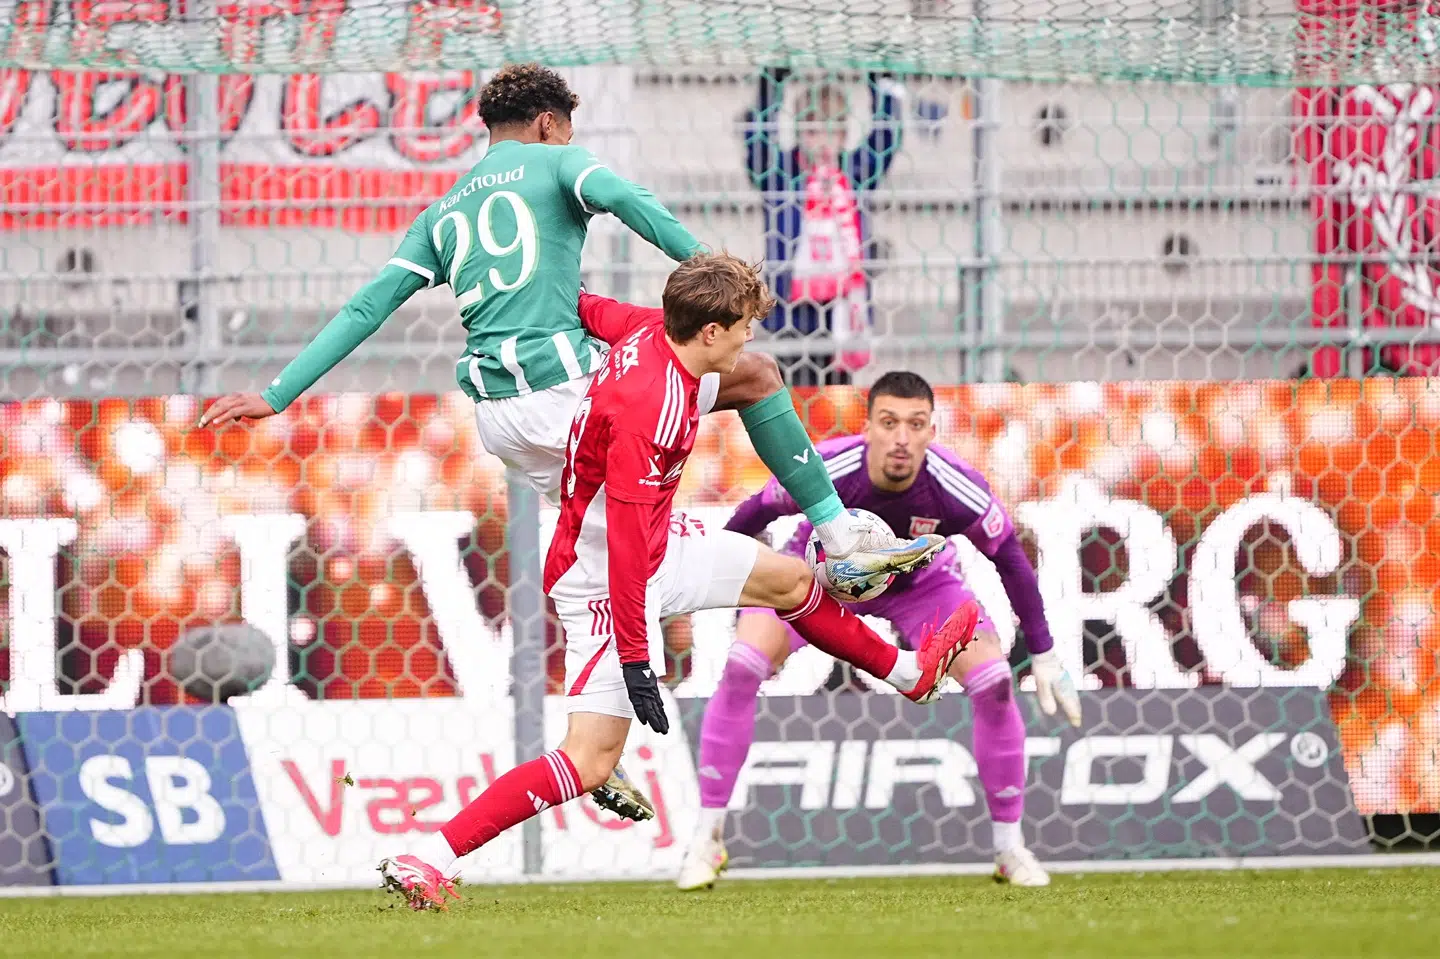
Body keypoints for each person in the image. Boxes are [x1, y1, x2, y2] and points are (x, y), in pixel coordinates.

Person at [198, 64, 946, 819]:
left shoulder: (443, 212)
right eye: (570, 127)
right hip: (568, 393)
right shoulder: (557, 161)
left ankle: (596, 744)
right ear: (551, 123)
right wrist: (718, 277)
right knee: (750, 376)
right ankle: (840, 537)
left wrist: (274, 395)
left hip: (502, 420)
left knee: (586, 537)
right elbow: (629, 202)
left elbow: (367, 307)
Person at [376, 254, 981, 911]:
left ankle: (909, 674)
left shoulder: (648, 330)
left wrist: (522, 298)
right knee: (588, 759)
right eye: (746, 326)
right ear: (712, 333)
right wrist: (639, 660)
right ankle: (427, 857)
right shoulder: (655, 412)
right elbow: (630, 553)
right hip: (605, 577)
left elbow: (586, 307)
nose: (752, 338)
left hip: (658, 547)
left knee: (793, 581)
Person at [675, 370, 1083, 891]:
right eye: (889, 422)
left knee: (995, 683)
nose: (901, 437)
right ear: (867, 427)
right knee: (741, 667)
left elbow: (1010, 560)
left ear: (932, 431)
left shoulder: (955, 485)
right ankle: (706, 839)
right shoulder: (829, 468)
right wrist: (714, 586)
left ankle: (1010, 849)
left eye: (915, 424)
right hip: (815, 577)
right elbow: (752, 513)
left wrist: (1044, 654)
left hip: (922, 584)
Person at [744, 69, 904, 386]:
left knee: (836, 396)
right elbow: (758, 141)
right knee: (791, 387)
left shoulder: (855, 172)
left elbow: (886, 139)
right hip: (790, 305)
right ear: (799, 132)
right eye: (813, 131)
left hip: (842, 307)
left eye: (834, 132)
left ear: (845, 135)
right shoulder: (779, 173)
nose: (823, 142)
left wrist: (881, 84)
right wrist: (771, 86)